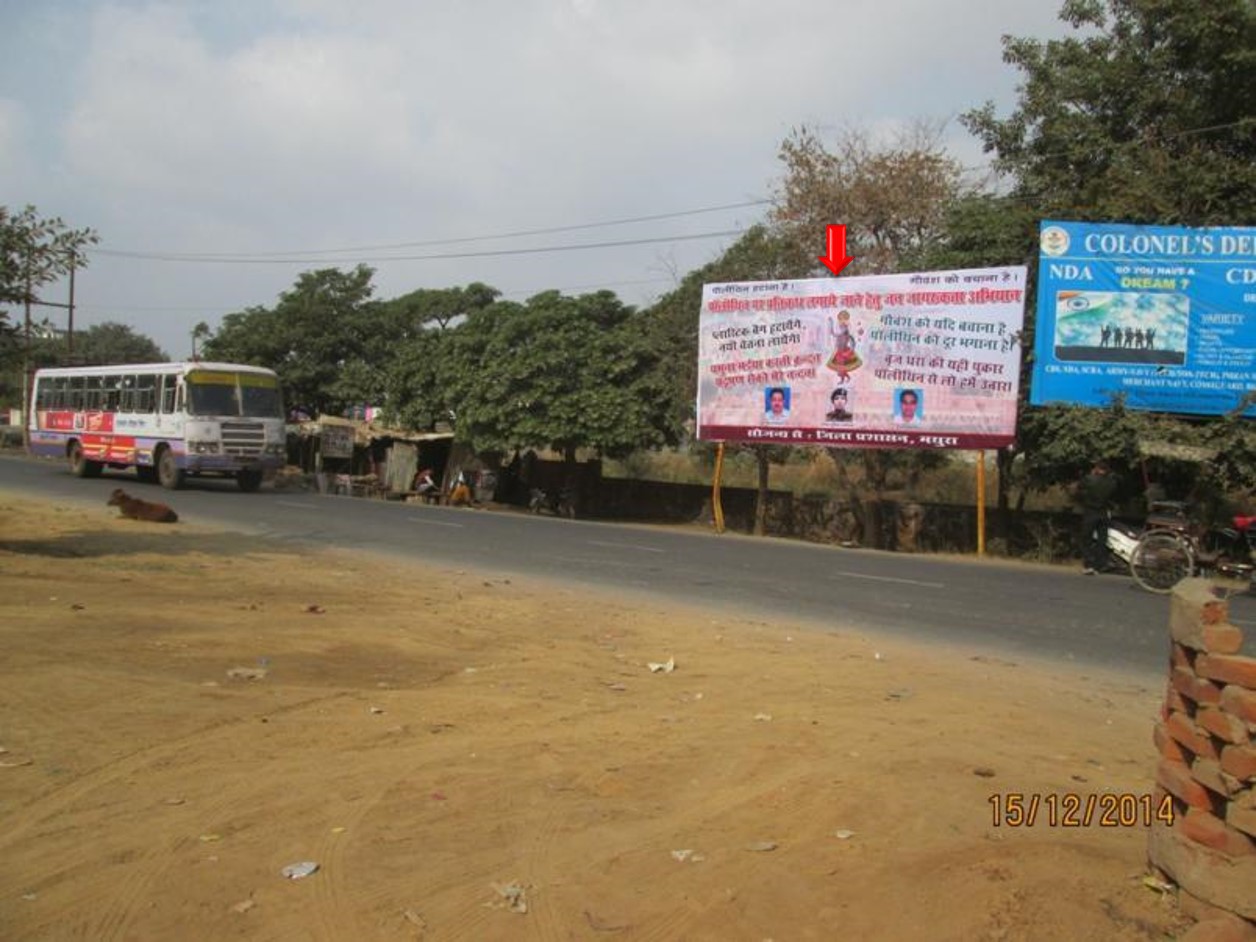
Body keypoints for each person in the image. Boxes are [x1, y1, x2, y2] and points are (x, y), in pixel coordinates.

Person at [1076, 459, 1117, 574]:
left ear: (1097, 469)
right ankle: (1099, 565)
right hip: (1103, 512)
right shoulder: (1111, 482)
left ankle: (1089, 563)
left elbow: (1079, 490)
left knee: (1086, 538)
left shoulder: (1089, 479)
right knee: (1102, 540)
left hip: (1090, 512)